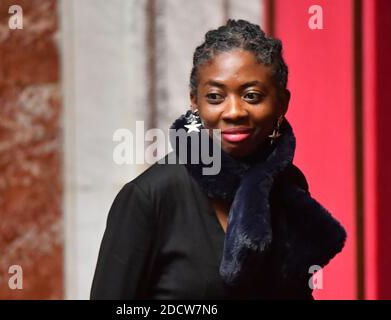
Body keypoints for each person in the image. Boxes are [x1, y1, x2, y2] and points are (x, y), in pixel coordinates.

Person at [90, 19, 346, 300]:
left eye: (252, 96)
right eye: (215, 96)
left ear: (282, 103)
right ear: (195, 103)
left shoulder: (288, 185)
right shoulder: (150, 197)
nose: (234, 111)